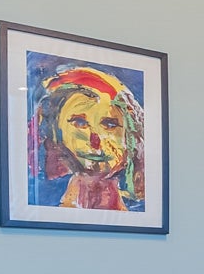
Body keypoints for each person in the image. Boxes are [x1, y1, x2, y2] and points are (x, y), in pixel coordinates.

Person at [30, 64, 145, 212]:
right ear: (56, 131)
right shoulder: (40, 202)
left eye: (110, 124)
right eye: (80, 123)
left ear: (130, 135)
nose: (95, 141)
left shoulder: (141, 209)